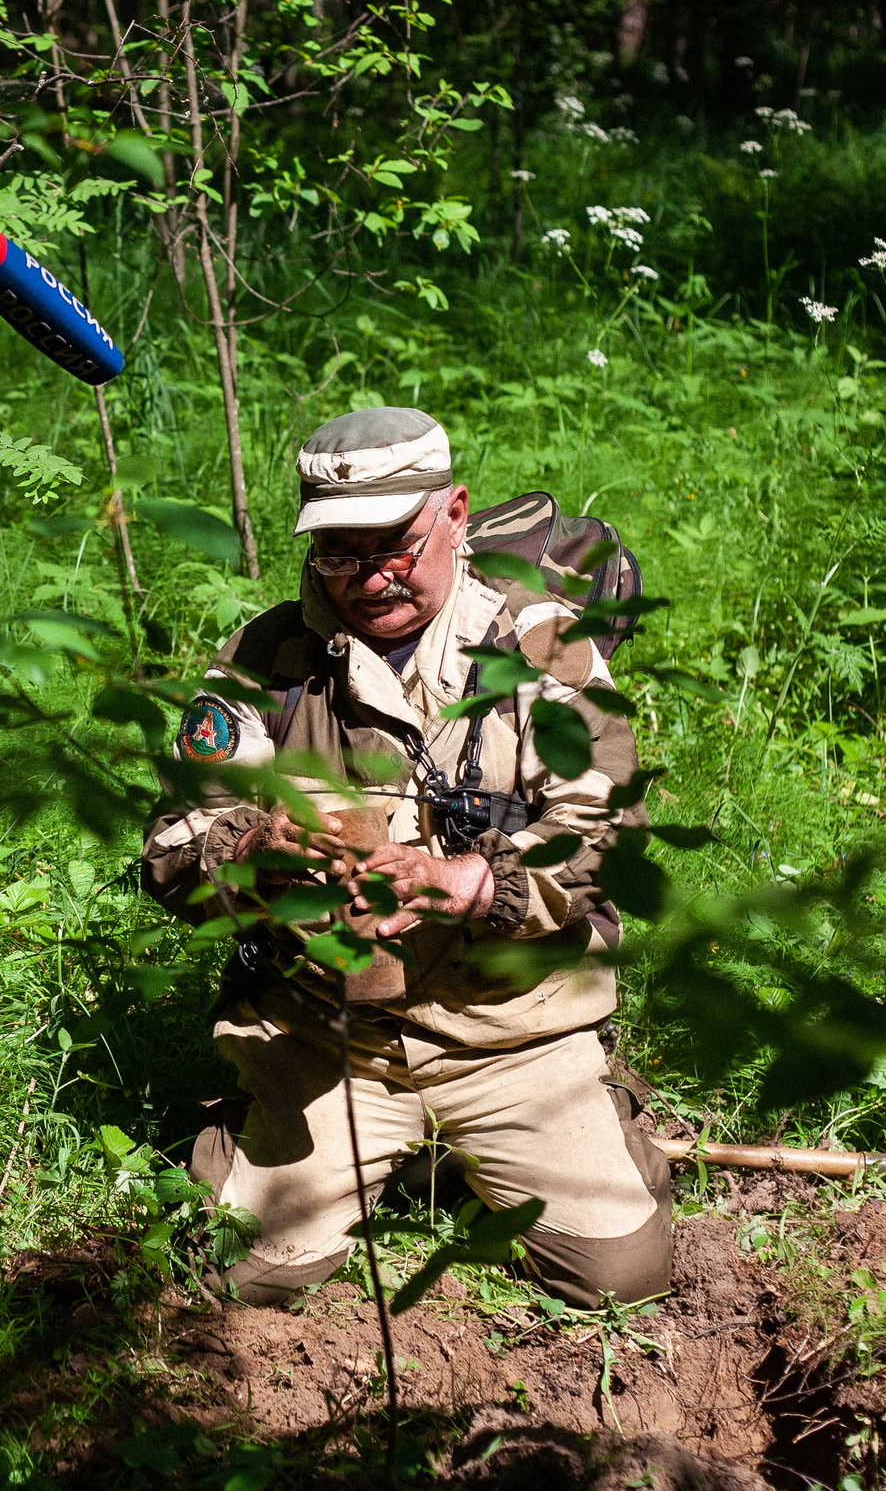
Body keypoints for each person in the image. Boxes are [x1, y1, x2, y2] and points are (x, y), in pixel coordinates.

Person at [141, 406, 671, 1309]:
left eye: (394, 545)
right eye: (338, 553)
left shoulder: (542, 644)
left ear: (455, 514)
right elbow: (167, 853)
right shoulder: (266, 663)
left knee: (619, 1275)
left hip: (511, 1031)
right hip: (333, 1038)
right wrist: (254, 849)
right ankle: (269, 1128)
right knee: (241, 1272)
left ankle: (568, 1113)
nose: (370, 577)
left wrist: (477, 879)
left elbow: (612, 832)